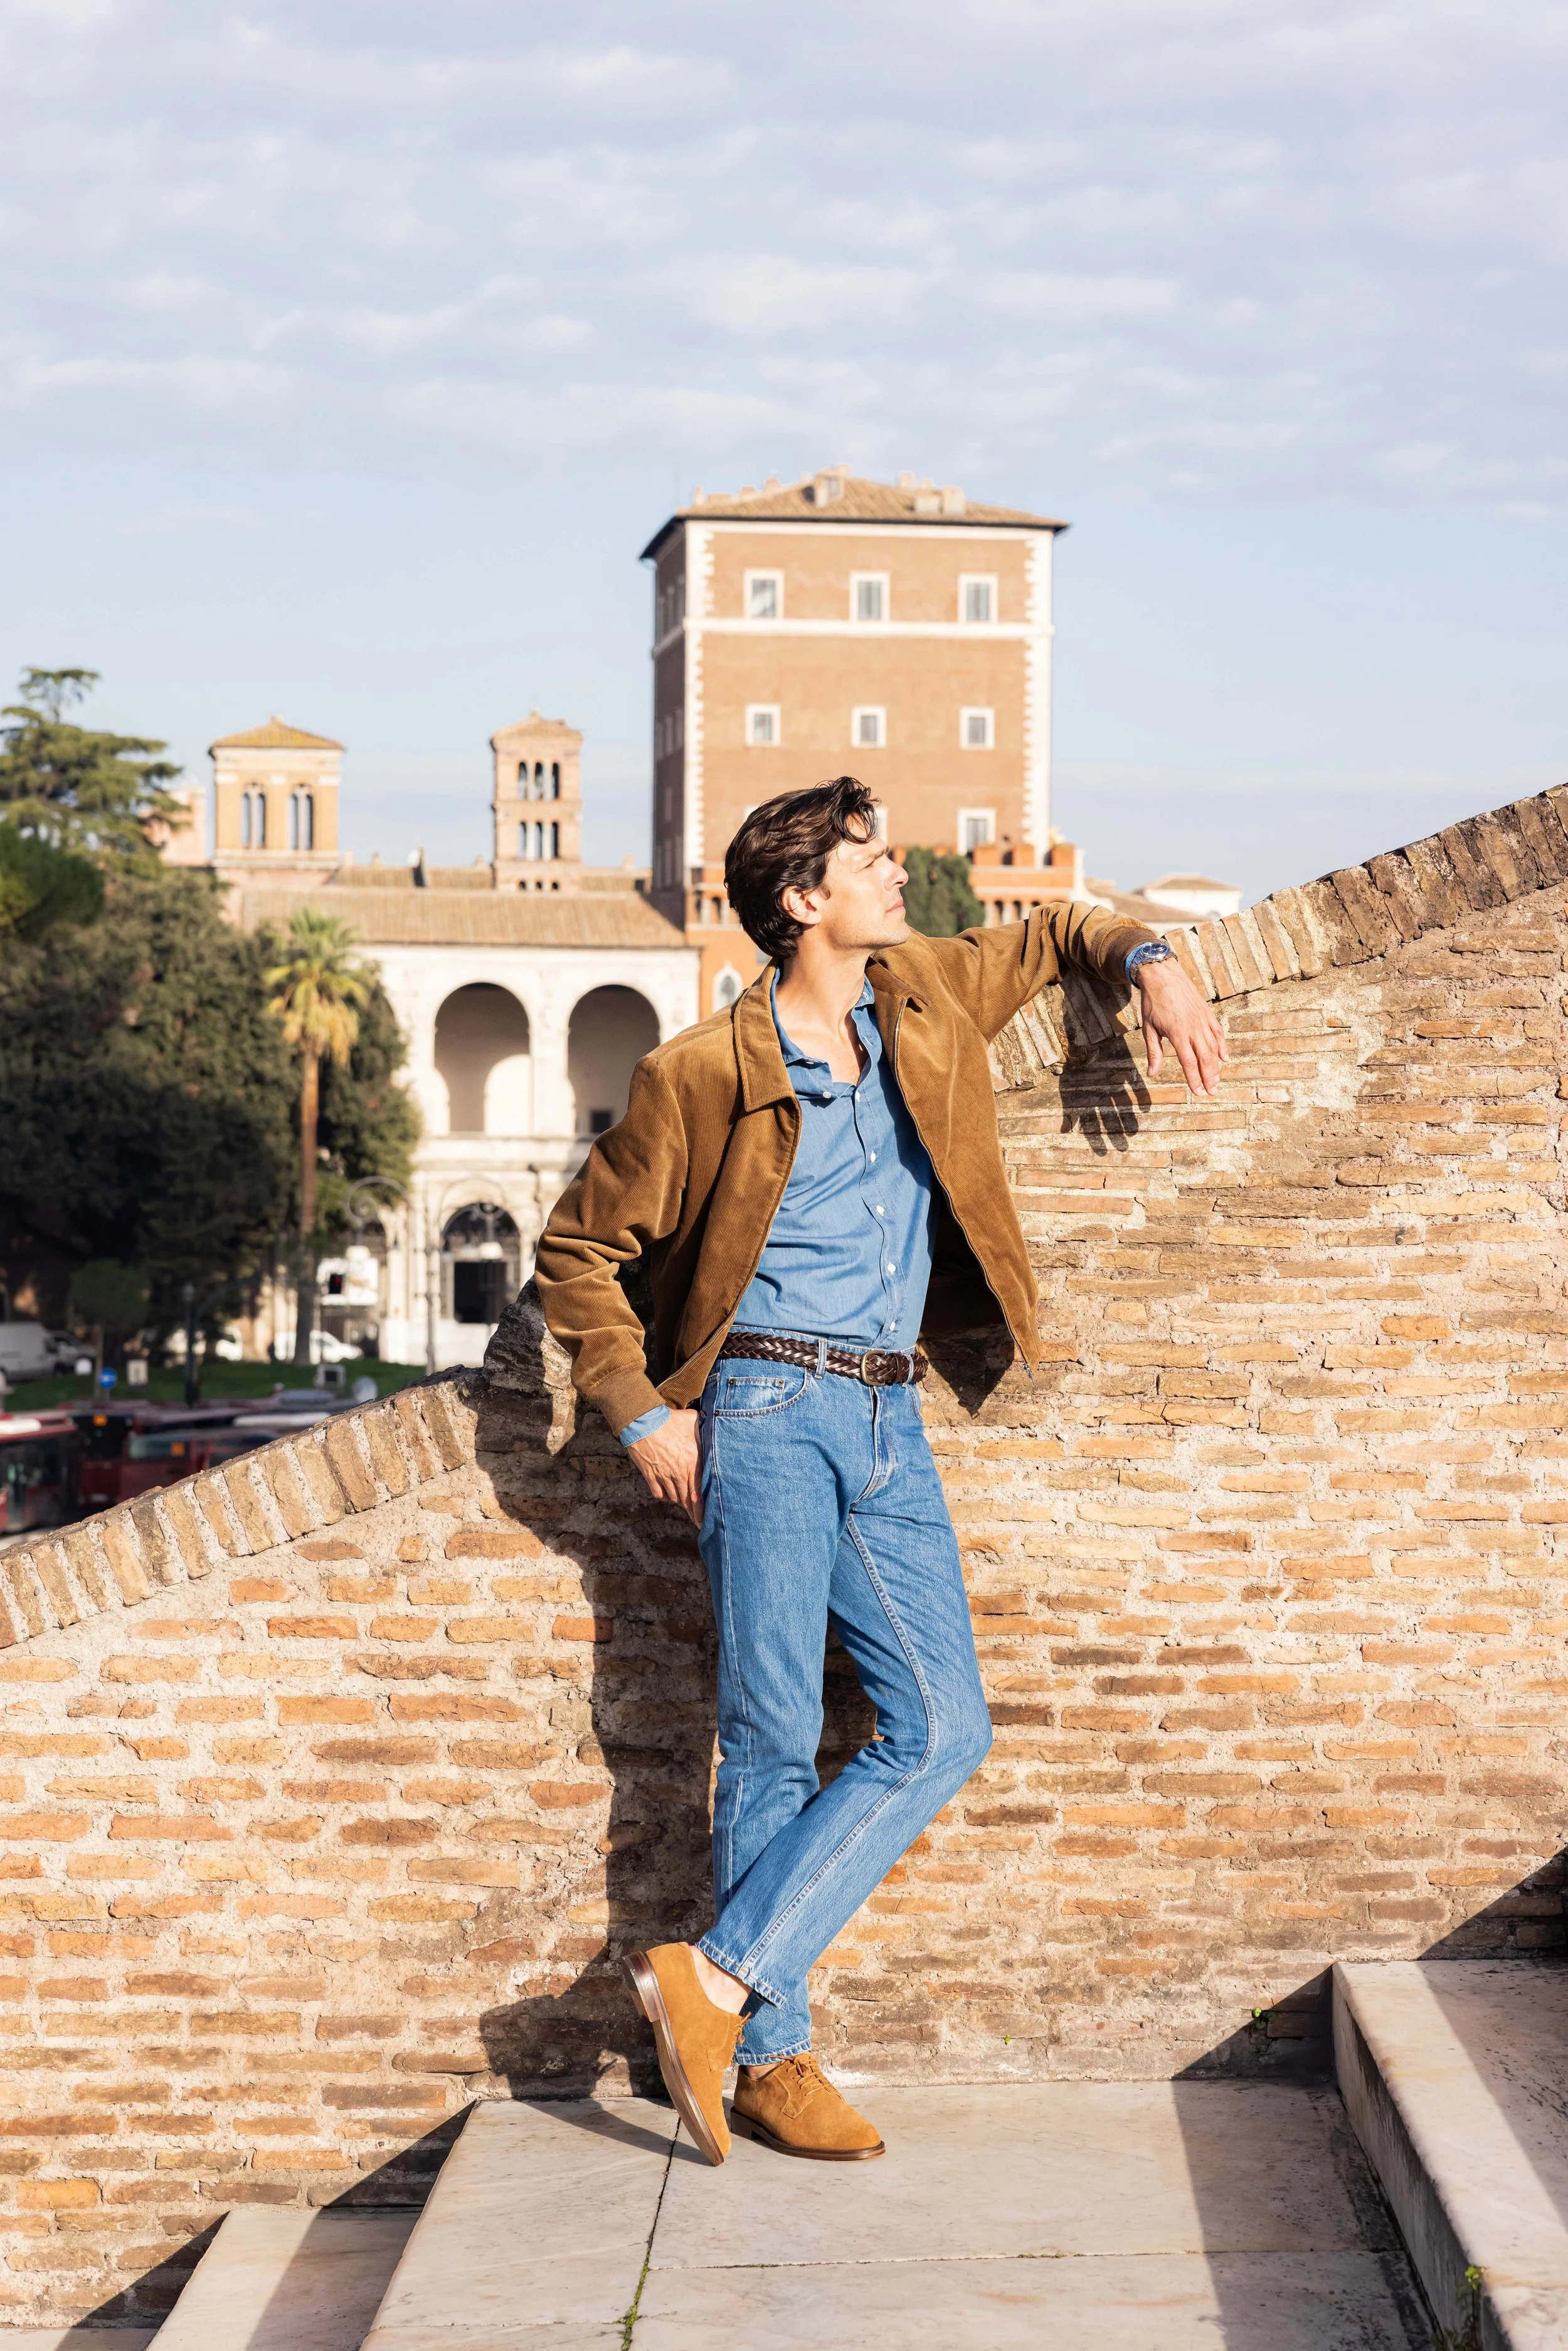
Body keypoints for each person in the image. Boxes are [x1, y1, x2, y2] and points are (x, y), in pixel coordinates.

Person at [535, 777, 1226, 2165]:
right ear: (800, 899)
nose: (896, 871)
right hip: (766, 1408)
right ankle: (767, 2057)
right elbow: (576, 1254)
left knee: (941, 1723)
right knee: (774, 1737)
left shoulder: (921, 993)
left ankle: (716, 1980)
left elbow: (1068, 932)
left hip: (886, 1416)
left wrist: (1151, 966)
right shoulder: (704, 1072)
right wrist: (635, 1415)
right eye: (866, 858)